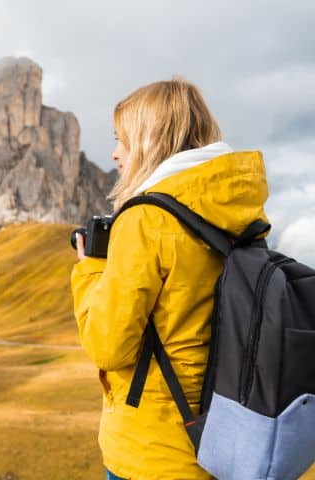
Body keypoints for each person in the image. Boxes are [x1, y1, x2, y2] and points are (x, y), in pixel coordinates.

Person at [71, 77, 271, 480]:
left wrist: (90, 268)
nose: (114, 154)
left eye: (121, 139)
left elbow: (109, 347)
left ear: (148, 140)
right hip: (227, 438)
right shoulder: (239, 213)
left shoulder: (146, 219)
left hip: (154, 452)